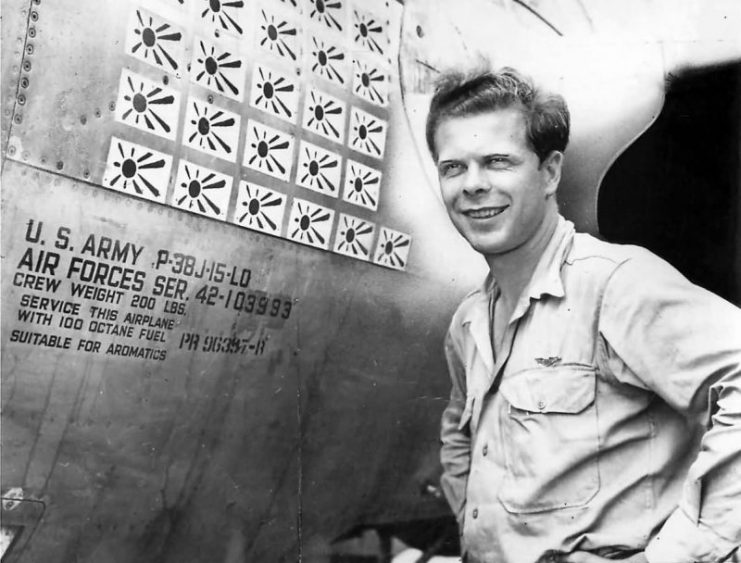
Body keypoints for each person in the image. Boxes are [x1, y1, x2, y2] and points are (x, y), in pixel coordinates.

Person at [430, 67, 741, 563]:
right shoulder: (468, 320)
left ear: (550, 172)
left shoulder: (616, 284)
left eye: (497, 162)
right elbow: (459, 435)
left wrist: (678, 555)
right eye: (453, 167)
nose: (472, 185)